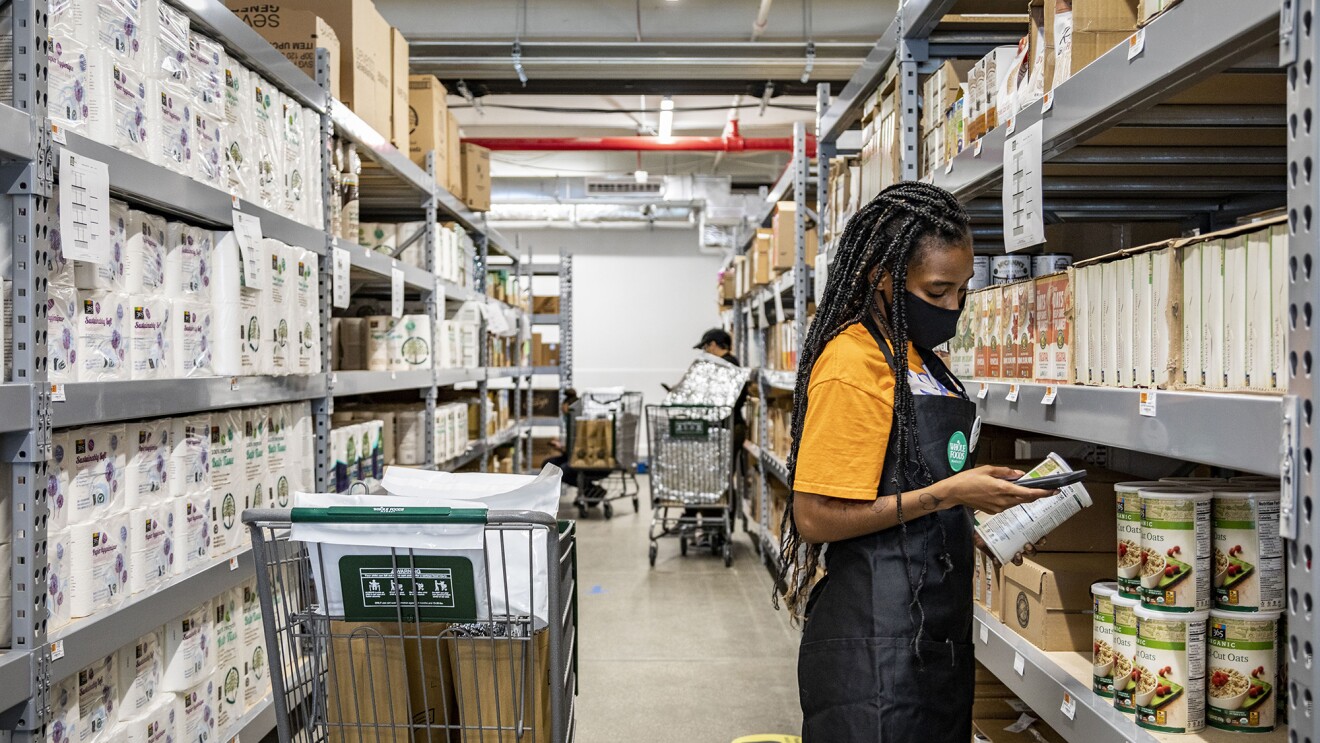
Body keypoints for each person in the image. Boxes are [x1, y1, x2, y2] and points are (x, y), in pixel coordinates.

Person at [775, 182, 1054, 742]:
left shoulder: (923, 363)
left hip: (935, 632)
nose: (952, 308)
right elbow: (815, 517)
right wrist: (950, 495)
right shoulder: (852, 364)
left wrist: (977, 524)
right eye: (937, 291)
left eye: (963, 291)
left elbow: (909, 485)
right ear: (882, 276)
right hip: (873, 642)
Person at [543, 388, 607, 502]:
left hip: (587, 461)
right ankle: (590, 490)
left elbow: (580, 451)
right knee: (548, 465)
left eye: (565, 413)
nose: (564, 416)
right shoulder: (572, 423)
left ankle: (592, 490)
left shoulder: (582, 424)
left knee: (562, 471)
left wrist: (562, 448)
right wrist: (562, 447)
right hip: (574, 457)